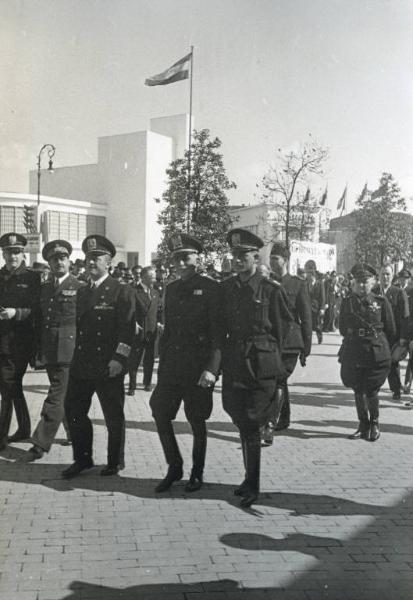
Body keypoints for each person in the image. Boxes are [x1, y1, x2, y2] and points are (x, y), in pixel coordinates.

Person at [221, 228, 293, 507]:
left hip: (261, 366)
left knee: (251, 423)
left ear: (255, 257)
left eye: (244, 255)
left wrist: (280, 370)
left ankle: (253, 484)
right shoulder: (227, 289)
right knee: (237, 415)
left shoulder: (270, 290)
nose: (238, 260)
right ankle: (248, 478)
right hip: (236, 362)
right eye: (235, 255)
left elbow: (286, 330)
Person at [149, 233, 221, 494]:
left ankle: (197, 473)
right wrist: (161, 363)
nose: (180, 264)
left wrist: (212, 368)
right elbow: (168, 331)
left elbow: (218, 333)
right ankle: (174, 465)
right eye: (176, 258)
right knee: (159, 410)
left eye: (185, 258)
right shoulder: (171, 289)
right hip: (173, 367)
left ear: (197, 259)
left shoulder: (212, 288)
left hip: (199, 368)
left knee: (197, 420)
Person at [62, 235, 135, 478]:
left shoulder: (121, 291)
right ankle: (82, 458)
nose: (91, 262)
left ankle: (115, 461)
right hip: (82, 364)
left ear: (109, 262)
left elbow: (127, 332)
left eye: (97, 258)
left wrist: (119, 359)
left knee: (113, 415)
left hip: (108, 365)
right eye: (88, 258)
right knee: (73, 410)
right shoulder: (82, 292)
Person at [23, 240, 85, 461]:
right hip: (49, 349)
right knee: (63, 394)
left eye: (62, 258)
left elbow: (84, 322)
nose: (59, 262)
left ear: (69, 261)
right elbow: (39, 320)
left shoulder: (79, 287)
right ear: (49, 263)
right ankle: (73, 434)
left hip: (68, 350)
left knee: (55, 395)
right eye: (54, 259)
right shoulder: (45, 288)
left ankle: (40, 443)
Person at [261, 241, 312, 440]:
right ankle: (284, 418)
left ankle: (270, 423)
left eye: (276, 259)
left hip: (291, 341)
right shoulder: (266, 283)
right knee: (278, 380)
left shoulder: (298, 284)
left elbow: (306, 317)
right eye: (271, 259)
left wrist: (306, 348)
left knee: (279, 380)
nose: (272, 263)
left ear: (286, 260)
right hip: (272, 340)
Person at [338, 263, 395, 442]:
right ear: (353, 283)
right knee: (357, 388)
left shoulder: (381, 302)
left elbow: (391, 329)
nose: (362, 286)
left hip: (375, 351)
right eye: (358, 282)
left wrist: (387, 350)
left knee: (371, 389)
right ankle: (363, 425)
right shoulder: (347, 302)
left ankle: (375, 423)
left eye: (365, 282)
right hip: (355, 350)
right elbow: (341, 328)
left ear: (372, 282)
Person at [0, 233, 40, 449]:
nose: (12, 256)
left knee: (7, 385)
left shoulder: (32, 278)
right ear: (3, 253)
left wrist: (17, 312)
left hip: (20, 342)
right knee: (11, 386)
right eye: (8, 252)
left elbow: (37, 311)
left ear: (22, 253)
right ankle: (24, 428)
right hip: (1, 341)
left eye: (16, 252)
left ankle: (1, 436)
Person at [375, 264, 409, 401]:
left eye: (388, 274)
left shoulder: (398, 292)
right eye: (383, 274)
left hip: (393, 334)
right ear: (379, 275)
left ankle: (396, 389)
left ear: (392, 275)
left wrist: (403, 337)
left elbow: (405, 316)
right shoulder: (374, 291)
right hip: (377, 334)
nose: (385, 277)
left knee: (393, 363)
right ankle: (374, 387)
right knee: (375, 361)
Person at [127, 266, 162, 395]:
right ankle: (132, 386)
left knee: (150, 359)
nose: (154, 277)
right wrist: (133, 323)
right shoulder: (134, 291)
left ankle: (147, 383)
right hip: (138, 330)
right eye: (151, 275)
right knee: (134, 359)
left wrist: (160, 323)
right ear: (143, 277)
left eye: (154, 275)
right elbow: (130, 311)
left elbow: (159, 310)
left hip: (151, 331)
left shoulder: (155, 292)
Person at [304, 260, 326, 344]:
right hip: (308, 307)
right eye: (307, 275)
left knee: (317, 325)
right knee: (308, 324)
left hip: (316, 307)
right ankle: (308, 340)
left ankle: (319, 337)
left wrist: (322, 308)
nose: (308, 277)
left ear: (313, 276)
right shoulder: (305, 283)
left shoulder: (319, 284)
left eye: (309, 275)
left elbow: (322, 297)